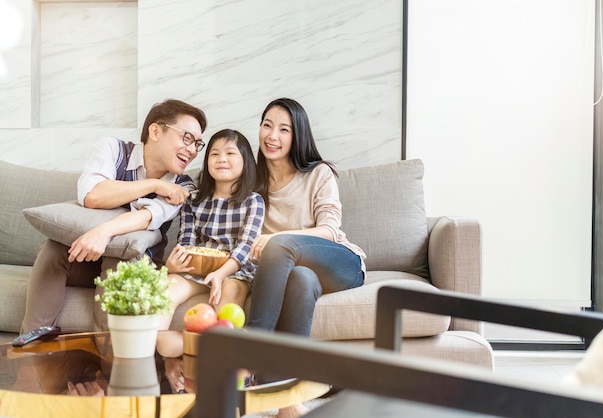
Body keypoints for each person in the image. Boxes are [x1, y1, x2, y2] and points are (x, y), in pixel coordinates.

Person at [20, 99, 208, 333]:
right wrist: (153, 184)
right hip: (88, 259)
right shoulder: (112, 149)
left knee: (120, 261)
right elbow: (93, 196)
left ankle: (106, 361)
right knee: (53, 250)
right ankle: (30, 351)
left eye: (197, 144)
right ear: (156, 131)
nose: (192, 150)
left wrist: (102, 231)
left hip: (138, 263)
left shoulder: (183, 186)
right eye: (186, 138)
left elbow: (147, 218)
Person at [246, 98, 366, 418]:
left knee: (284, 247)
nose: (272, 135)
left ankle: (250, 350)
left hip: (339, 262)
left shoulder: (318, 174)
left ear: (297, 136)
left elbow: (329, 229)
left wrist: (277, 239)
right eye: (267, 125)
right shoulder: (252, 182)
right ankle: (288, 401)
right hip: (294, 271)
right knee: (301, 278)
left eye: (284, 129)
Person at [156, 129, 264, 383]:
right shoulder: (193, 199)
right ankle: (168, 354)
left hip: (235, 269)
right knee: (166, 288)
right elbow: (186, 241)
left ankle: (196, 355)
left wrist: (220, 273)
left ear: (246, 161)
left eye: (229, 153)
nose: (221, 159)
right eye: (214, 154)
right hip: (195, 267)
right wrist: (174, 264)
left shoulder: (253, 201)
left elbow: (245, 246)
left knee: (228, 297)